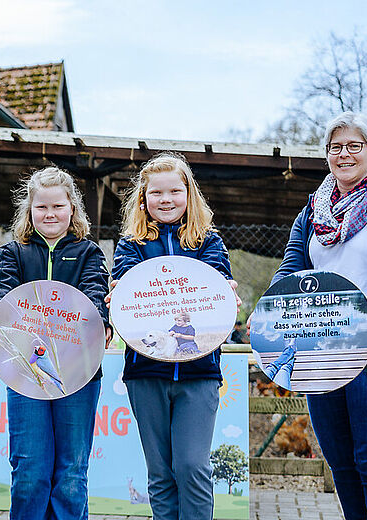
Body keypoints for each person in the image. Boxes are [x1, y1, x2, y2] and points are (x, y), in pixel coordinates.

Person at [271, 111, 367, 519]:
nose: (344, 154)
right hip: (320, 352)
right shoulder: (311, 212)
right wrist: (269, 306)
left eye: (355, 146)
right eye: (335, 147)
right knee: (340, 459)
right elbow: (291, 268)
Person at [109, 152, 238, 520]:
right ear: (143, 199)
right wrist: (120, 295)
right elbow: (129, 298)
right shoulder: (130, 246)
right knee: (160, 473)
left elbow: (214, 294)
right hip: (145, 373)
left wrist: (224, 294)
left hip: (199, 373)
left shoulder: (209, 243)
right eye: (156, 193)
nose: (166, 200)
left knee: (192, 466)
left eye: (174, 191)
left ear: (189, 195)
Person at [0, 166, 112, 520]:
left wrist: (100, 323)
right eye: (42, 207)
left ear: (72, 208)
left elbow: (96, 298)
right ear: (30, 210)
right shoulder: (13, 253)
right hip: (25, 375)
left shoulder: (89, 253)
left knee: (71, 473)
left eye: (58, 206)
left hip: (80, 376)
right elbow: (0, 297)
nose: (50, 214)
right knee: (29, 470)